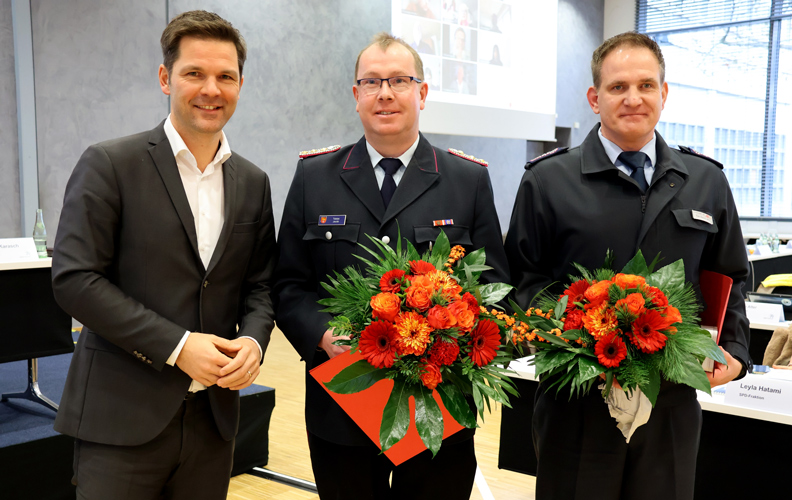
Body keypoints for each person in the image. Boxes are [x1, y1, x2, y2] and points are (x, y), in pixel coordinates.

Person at [504, 32, 751, 500]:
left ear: (664, 93)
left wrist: (735, 351)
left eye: (646, 85)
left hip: (672, 399)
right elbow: (523, 280)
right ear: (595, 99)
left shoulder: (705, 181)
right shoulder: (548, 181)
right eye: (618, 87)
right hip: (577, 400)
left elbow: (730, 276)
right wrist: (579, 334)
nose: (633, 98)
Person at [51, 10, 277, 499]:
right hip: (120, 419)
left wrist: (254, 344)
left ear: (240, 84)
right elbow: (75, 279)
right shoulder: (110, 163)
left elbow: (260, 286)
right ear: (165, 77)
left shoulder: (254, 183)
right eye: (194, 73)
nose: (211, 89)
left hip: (213, 423)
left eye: (226, 76)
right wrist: (177, 346)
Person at [274, 32, 509, 500]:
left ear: (422, 93)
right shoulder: (313, 177)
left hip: (438, 405)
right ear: (355, 95)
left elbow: (495, 284)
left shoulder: (467, 179)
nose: (385, 93)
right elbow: (287, 284)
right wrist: (322, 334)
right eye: (372, 81)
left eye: (399, 80)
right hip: (341, 400)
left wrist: (454, 338)